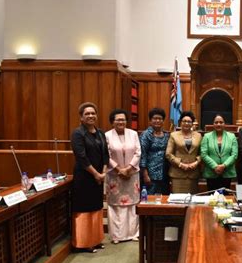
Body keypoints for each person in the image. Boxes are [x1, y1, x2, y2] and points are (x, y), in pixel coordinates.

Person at [70, 102, 109, 253]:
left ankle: (96, 240)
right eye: (87, 114)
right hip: (84, 177)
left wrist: (103, 172)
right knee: (84, 209)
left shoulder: (100, 133)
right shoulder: (78, 133)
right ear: (81, 117)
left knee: (96, 208)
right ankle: (84, 242)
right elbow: (81, 157)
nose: (91, 116)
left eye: (93, 113)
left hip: (98, 178)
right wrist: (96, 174)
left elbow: (106, 155)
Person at [105, 109, 141, 244]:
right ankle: (117, 235)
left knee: (132, 204)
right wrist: (120, 169)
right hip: (115, 176)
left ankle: (133, 233)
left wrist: (129, 168)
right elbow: (106, 155)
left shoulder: (133, 134)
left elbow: (138, 152)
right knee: (116, 205)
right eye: (118, 119)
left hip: (132, 174)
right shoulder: (107, 136)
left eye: (123, 119)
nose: (121, 122)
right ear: (112, 122)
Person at [166, 111, 202, 194]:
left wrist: (196, 163)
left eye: (189, 121)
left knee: (193, 202)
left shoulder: (198, 135)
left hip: (193, 174)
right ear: (180, 123)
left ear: (192, 123)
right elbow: (168, 154)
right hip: (178, 174)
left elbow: (202, 153)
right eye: (184, 121)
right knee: (178, 202)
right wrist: (180, 164)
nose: (186, 123)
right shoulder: (173, 135)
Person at [200, 114, 238, 191]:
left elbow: (234, 154)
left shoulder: (232, 136)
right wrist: (215, 166)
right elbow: (203, 154)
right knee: (211, 198)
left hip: (227, 172)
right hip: (211, 172)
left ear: (224, 124)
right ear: (213, 124)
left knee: (225, 197)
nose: (218, 124)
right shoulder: (207, 136)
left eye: (221, 122)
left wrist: (224, 166)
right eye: (216, 122)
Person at [139, 108, 170, 195]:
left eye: (160, 119)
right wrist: (145, 175)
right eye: (155, 118)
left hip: (164, 174)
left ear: (163, 121)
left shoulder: (166, 135)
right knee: (150, 200)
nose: (157, 121)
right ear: (150, 121)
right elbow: (142, 156)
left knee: (164, 199)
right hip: (150, 175)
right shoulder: (146, 135)